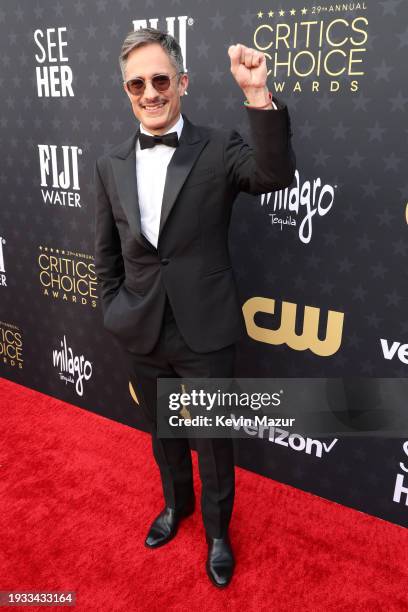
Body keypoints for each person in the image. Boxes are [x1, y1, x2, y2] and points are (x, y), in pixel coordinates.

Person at [93, 27, 295, 588]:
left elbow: (274, 174)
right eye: (137, 83)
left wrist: (258, 95)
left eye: (161, 79)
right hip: (142, 328)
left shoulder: (219, 145)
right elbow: (106, 252)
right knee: (164, 434)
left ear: (182, 81)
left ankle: (218, 534)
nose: (150, 92)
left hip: (204, 330)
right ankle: (174, 507)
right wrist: (115, 309)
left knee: (212, 442)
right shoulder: (110, 163)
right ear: (125, 90)